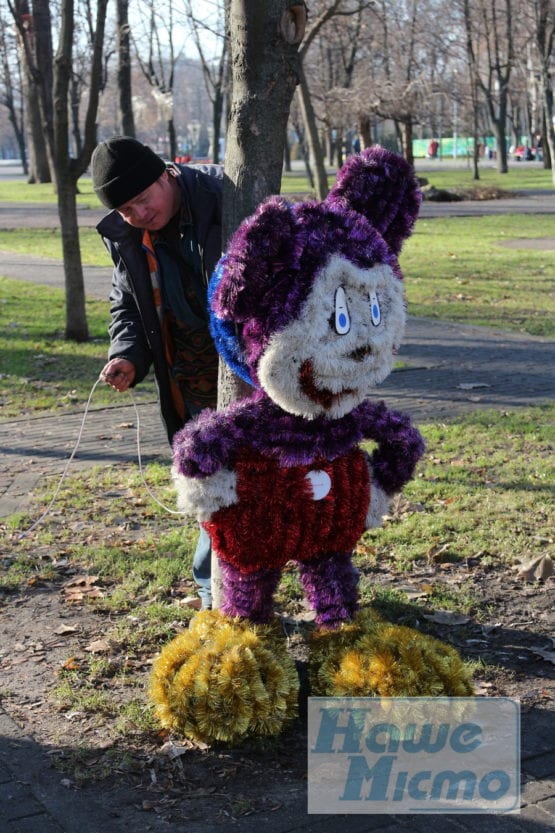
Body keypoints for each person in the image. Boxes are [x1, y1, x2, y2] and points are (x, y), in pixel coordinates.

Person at [91, 136, 223, 608]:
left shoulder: (224, 195)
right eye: (125, 209)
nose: (138, 215)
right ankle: (214, 591)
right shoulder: (129, 236)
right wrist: (126, 353)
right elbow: (127, 302)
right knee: (209, 479)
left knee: (268, 479)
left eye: (143, 200)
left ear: (166, 174)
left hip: (251, 370)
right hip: (184, 376)